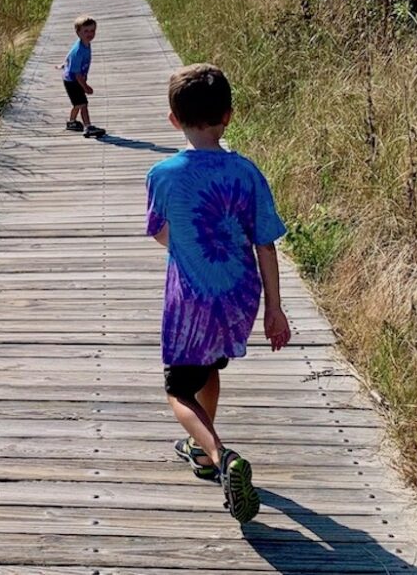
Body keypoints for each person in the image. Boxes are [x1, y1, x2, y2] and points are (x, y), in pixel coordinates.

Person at [144, 63, 292, 523]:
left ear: (173, 119)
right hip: (238, 296)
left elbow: (160, 234)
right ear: (228, 116)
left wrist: (189, 245)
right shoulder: (246, 172)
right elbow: (264, 243)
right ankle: (203, 455)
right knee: (208, 366)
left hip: (190, 300)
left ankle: (220, 454)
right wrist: (275, 309)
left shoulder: (162, 174)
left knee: (176, 391)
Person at [62, 15, 105, 137]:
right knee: (83, 104)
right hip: (73, 80)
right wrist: (85, 87)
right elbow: (77, 74)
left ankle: (71, 122)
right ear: (78, 32)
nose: (90, 34)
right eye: (86, 31)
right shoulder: (79, 50)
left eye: (92, 30)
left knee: (77, 104)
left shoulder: (85, 43)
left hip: (73, 78)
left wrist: (64, 63)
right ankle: (88, 127)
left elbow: (69, 54)